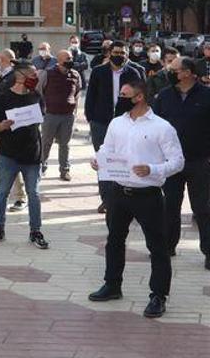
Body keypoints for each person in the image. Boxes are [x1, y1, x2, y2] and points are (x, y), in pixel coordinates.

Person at [88, 80, 184, 318]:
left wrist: (152, 169)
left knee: (157, 247)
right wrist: (98, 161)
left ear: (139, 97)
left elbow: (177, 161)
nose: (120, 97)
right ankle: (112, 285)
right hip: (119, 191)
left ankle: (158, 295)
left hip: (148, 194)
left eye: (124, 94)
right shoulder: (116, 123)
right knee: (114, 240)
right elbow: (106, 149)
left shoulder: (162, 127)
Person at [152, 57, 210, 270]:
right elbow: (154, 125)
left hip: (199, 161)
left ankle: (208, 251)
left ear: (188, 73)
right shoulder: (165, 96)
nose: (170, 72)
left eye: (174, 69)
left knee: (203, 208)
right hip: (171, 162)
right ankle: (167, 247)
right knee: (169, 207)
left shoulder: (206, 95)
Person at [0, 63, 49, 249]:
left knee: (34, 194)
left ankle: (35, 230)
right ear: (19, 75)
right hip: (8, 154)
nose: (35, 77)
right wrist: (3, 125)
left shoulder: (36, 96)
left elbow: (41, 118)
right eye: (32, 74)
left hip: (32, 154)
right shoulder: (2, 98)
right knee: (2, 193)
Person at [84, 41, 144, 213]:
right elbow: (91, 96)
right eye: (116, 52)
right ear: (109, 53)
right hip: (101, 122)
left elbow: (141, 97)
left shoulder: (134, 72)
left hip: (126, 122)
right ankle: (107, 200)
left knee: (125, 159)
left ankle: (123, 200)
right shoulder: (98, 72)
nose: (120, 55)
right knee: (103, 161)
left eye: (123, 53)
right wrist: (91, 117)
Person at [0, 49, 27, 211]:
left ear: (8, 61)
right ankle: (2, 191)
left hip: (8, 126)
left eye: (0, 60)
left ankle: (20, 196)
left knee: (12, 161)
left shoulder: (15, 77)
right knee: (2, 161)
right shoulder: (5, 77)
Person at [38, 50, 81, 182]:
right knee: (46, 143)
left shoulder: (75, 74)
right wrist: (42, 109)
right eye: (68, 58)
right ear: (59, 60)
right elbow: (39, 90)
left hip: (68, 116)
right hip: (51, 115)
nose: (71, 60)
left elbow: (78, 91)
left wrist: (75, 110)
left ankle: (64, 170)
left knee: (65, 144)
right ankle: (41, 168)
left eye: (71, 57)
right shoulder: (48, 73)